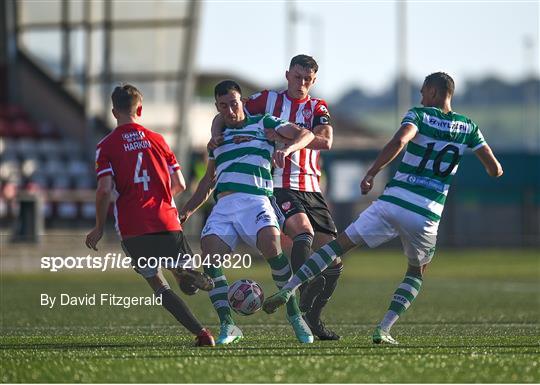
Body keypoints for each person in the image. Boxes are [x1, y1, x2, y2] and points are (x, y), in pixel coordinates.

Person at [262, 72, 504, 344]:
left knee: (337, 246)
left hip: (393, 202)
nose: (421, 97)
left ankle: (289, 289)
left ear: (434, 93)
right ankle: (384, 329)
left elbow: (400, 141)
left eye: (424, 92)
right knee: (416, 271)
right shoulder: (468, 127)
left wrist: (372, 172)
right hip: (427, 214)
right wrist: (491, 168)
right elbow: (495, 169)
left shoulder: (420, 116)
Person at [209, 54, 342, 340]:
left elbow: (326, 140)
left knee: (333, 259)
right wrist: (215, 135)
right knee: (302, 233)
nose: (301, 83)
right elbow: (228, 111)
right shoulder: (266, 100)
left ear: (314, 80)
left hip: (311, 186)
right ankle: (294, 292)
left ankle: (312, 318)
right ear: (286, 75)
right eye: (297, 77)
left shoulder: (318, 106)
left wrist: (284, 139)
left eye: (307, 79)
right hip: (279, 184)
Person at [180, 80, 315, 344]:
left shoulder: (263, 123)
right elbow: (208, 182)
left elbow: (305, 134)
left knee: (271, 245)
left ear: (242, 101)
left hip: (256, 200)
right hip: (225, 205)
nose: (230, 110)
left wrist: (286, 148)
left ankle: (295, 316)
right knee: (209, 255)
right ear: (217, 107)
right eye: (223, 106)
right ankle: (228, 326)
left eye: (234, 103)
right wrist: (185, 212)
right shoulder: (217, 141)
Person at [85, 84, 216, 347]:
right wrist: (163, 199)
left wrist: (99, 226)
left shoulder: (106, 146)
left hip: (134, 229)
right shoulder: (158, 140)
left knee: (159, 286)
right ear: (140, 109)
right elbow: (180, 183)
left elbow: (103, 189)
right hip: (166, 220)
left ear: (114, 112)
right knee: (187, 285)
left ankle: (202, 334)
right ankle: (184, 272)